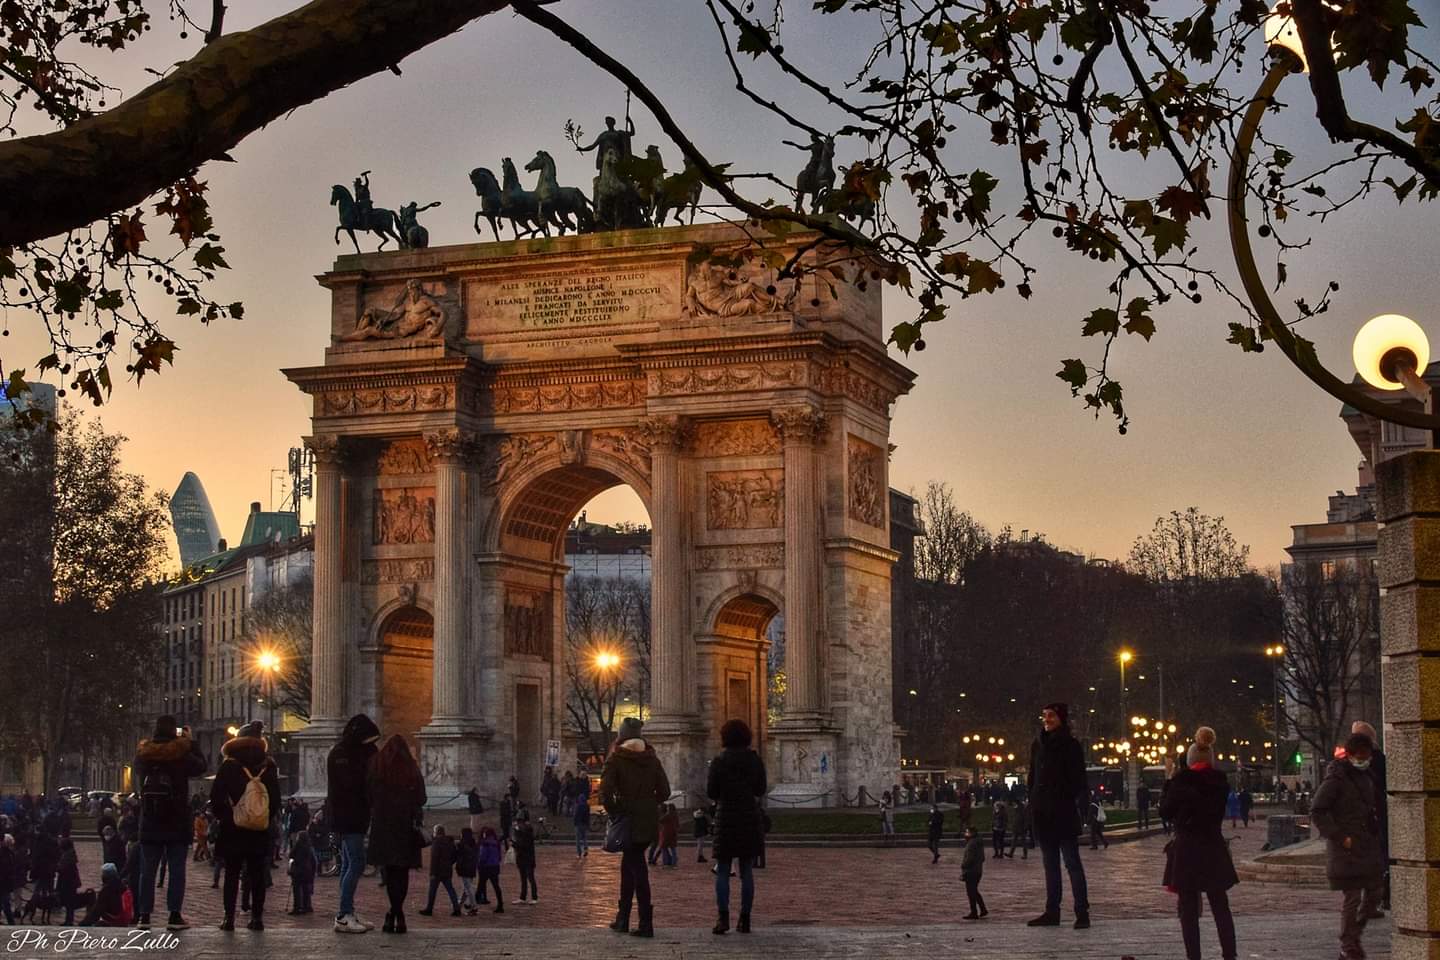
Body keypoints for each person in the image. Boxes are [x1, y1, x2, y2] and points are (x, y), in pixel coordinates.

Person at [1312, 732, 1386, 960]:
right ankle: (1348, 943)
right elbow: (1317, 810)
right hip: (1346, 847)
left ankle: (1353, 937)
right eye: (1362, 756)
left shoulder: (1368, 776)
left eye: (1368, 755)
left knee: (1375, 892)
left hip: (1367, 844)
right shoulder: (1336, 779)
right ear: (1351, 755)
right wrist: (1339, 836)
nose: (1366, 760)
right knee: (1352, 896)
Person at [132, 715, 207, 931]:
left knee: (147, 871)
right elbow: (201, 766)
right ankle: (174, 915)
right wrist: (191, 742)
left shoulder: (144, 755)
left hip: (150, 820)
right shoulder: (181, 753)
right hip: (176, 820)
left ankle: (144, 916)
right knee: (176, 870)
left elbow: (138, 772)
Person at [600, 716, 671, 938]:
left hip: (627, 820)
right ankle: (623, 918)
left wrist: (616, 810)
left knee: (637, 869)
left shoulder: (617, 758)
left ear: (621, 736)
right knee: (629, 866)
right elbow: (665, 792)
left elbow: (605, 793)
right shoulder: (651, 759)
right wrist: (649, 803)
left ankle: (644, 922)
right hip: (647, 821)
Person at [211, 721, 282, 932]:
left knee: (232, 874)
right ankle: (257, 918)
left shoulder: (229, 765)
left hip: (233, 828)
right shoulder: (268, 765)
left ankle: (229, 918)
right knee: (257, 874)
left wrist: (227, 816)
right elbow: (276, 799)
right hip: (259, 829)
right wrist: (264, 818)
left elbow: (216, 797)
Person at [1026, 701, 1091, 929]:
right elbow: (1032, 777)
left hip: (1062, 813)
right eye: (1044, 715)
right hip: (1043, 813)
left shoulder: (1071, 745)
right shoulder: (1038, 745)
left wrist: (1068, 800)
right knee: (1050, 866)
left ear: (1061, 718)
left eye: (1051, 716)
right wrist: (1032, 802)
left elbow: (1078, 780)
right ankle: (1051, 911)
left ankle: (1082, 912)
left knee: (1072, 864)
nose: (1046, 719)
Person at [707, 718, 767, 936]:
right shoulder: (754, 761)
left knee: (723, 870)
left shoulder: (719, 761)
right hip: (749, 817)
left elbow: (711, 792)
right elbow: (761, 789)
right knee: (747, 872)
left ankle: (722, 918)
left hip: (726, 819)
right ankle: (745, 919)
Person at [326, 713, 381, 935]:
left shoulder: (351, 752)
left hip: (354, 816)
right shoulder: (342, 755)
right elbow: (352, 785)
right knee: (356, 863)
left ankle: (347, 912)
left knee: (350, 863)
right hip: (348, 817)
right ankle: (343, 914)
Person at [366, 735, 427, 934]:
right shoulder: (411, 769)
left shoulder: (377, 769)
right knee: (402, 874)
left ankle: (393, 913)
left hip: (383, 827)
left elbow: (368, 796)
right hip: (404, 827)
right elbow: (422, 798)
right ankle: (398, 914)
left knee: (389, 872)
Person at [1352, 720, 1390, 914]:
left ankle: (1372, 901)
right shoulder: (1378, 761)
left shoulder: (1367, 763)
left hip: (1370, 819)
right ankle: (1372, 901)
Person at [419, 825, 461, 917]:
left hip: (437, 871)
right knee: (450, 890)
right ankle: (456, 908)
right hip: (447, 869)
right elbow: (455, 856)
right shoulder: (450, 842)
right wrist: (449, 863)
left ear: (436, 832)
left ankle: (429, 909)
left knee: (432, 891)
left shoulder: (436, 843)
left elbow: (434, 859)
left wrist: (433, 872)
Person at [79, 862, 130, 927]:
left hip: (113, 919)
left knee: (93, 898)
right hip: (123, 918)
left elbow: (97, 910)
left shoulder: (106, 890)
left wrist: (84, 923)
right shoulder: (123, 886)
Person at [287, 827, 316, 916]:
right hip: (307, 871)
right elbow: (313, 861)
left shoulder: (298, 845)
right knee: (305, 889)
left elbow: (291, 855)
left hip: (298, 871)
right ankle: (306, 907)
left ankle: (297, 907)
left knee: (296, 890)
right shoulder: (309, 847)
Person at [961, 826, 988, 920]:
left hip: (971, 871)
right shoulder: (979, 843)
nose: (965, 834)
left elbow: (969, 859)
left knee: (971, 892)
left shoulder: (972, 844)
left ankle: (974, 912)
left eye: (967, 832)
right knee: (974, 891)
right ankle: (983, 909)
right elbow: (983, 858)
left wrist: (963, 865)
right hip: (978, 870)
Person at [512, 810, 538, 904]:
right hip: (521, 857)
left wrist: (515, 844)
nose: (518, 824)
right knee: (523, 878)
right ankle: (522, 897)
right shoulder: (519, 832)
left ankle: (534, 897)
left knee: (530, 878)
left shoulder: (527, 832)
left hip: (528, 858)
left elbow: (525, 845)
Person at [477, 826, 504, 913]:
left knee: (480, 886)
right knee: (496, 886)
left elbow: (483, 856)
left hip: (485, 867)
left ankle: (473, 904)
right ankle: (500, 904)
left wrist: (479, 864)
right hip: (495, 866)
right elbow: (499, 857)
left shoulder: (485, 844)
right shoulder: (496, 843)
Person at [56, 837, 83, 925]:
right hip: (70, 881)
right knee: (69, 902)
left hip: (68, 882)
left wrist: (57, 867)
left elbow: (63, 868)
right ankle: (69, 919)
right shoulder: (69, 854)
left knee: (69, 902)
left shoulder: (67, 856)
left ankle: (69, 920)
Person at [456, 827, 479, 914]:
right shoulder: (473, 844)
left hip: (464, 868)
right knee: (467, 887)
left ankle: (474, 906)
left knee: (468, 888)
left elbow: (458, 856)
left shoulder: (461, 844)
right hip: (471, 868)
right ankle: (459, 905)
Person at [573, 785, 591, 859]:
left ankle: (579, 853)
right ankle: (586, 849)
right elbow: (588, 816)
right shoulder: (587, 806)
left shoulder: (578, 806)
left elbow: (576, 815)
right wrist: (588, 824)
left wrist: (574, 822)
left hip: (578, 824)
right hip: (584, 824)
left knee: (578, 839)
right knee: (584, 838)